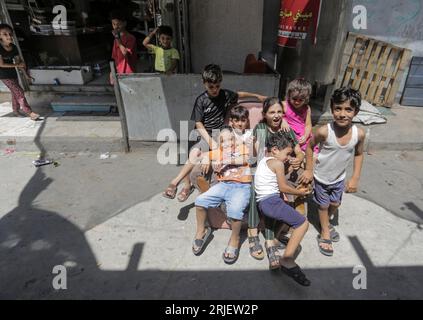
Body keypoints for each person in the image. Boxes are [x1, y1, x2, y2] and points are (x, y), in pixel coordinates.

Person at [162, 64, 266, 202]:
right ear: (204, 84)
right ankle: (178, 184)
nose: (215, 90)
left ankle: (200, 186)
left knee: (220, 154)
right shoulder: (201, 100)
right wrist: (211, 142)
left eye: (217, 86)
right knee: (193, 153)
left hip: (220, 133)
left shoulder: (225, 95)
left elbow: (239, 94)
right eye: (211, 87)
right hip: (204, 133)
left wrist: (258, 97)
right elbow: (198, 123)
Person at [300, 87, 366, 257]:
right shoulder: (324, 131)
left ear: (356, 111)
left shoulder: (359, 134)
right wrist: (308, 169)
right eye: (338, 108)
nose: (342, 114)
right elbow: (309, 147)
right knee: (323, 205)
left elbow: (359, 154)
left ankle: (325, 222)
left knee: (335, 204)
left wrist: (355, 178)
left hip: (338, 178)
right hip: (321, 177)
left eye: (348, 109)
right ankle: (325, 233)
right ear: (332, 108)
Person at [247, 97, 307, 261]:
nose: (276, 116)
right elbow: (259, 157)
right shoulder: (260, 128)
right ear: (265, 114)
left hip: (285, 169)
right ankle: (254, 231)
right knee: (258, 186)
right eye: (272, 112)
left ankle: (271, 236)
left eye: (279, 112)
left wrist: (299, 158)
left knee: (301, 179)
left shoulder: (287, 129)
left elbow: (298, 150)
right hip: (265, 169)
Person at [255, 132, 311, 286]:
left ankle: (274, 238)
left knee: (287, 212)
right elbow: (283, 187)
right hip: (271, 202)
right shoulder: (278, 164)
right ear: (275, 150)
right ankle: (286, 259)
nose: (288, 157)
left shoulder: (263, 161)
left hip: (264, 203)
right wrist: (299, 192)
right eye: (287, 153)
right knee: (303, 224)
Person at [192, 127, 252, 264]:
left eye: (230, 139)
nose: (227, 143)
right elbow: (201, 155)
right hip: (223, 185)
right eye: (223, 141)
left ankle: (234, 239)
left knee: (235, 211)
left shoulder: (241, 148)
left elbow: (244, 159)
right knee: (200, 201)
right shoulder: (218, 152)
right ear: (219, 143)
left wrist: (225, 161)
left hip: (241, 186)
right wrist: (206, 158)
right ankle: (201, 230)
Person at [192, 105, 254, 193]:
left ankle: (209, 193)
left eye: (243, 121)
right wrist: (206, 158)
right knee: (205, 165)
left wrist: (251, 143)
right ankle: (207, 190)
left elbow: (250, 154)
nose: (240, 124)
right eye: (236, 121)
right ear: (231, 121)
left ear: (247, 121)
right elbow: (218, 150)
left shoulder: (249, 134)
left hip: (239, 162)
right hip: (223, 160)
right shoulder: (227, 132)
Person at [0, 24, 40, 120]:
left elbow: (19, 63)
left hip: (12, 73)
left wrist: (26, 75)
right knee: (20, 91)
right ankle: (30, 112)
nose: (9, 36)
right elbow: (1, 64)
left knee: (15, 92)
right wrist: (17, 65)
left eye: (10, 34)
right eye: (5, 34)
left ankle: (15, 110)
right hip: (3, 75)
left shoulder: (13, 47)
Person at [281, 78, 318, 154]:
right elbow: (275, 116)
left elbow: (308, 125)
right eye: (294, 99)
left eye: (301, 100)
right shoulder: (284, 105)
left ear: (306, 99)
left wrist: (305, 136)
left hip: (303, 137)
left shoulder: (307, 108)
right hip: (289, 136)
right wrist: (283, 121)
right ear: (289, 95)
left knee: (312, 153)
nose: (297, 102)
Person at [110, 11, 137, 84]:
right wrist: (112, 72)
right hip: (119, 73)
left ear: (124, 23)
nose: (116, 26)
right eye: (114, 24)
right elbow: (115, 57)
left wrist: (117, 38)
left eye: (118, 24)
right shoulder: (116, 39)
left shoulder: (131, 38)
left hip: (129, 72)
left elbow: (125, 52)